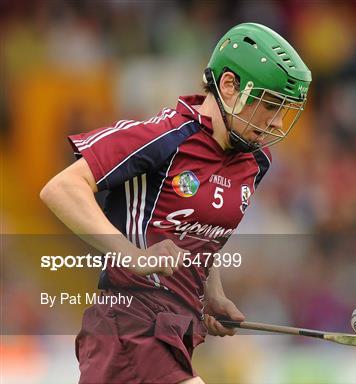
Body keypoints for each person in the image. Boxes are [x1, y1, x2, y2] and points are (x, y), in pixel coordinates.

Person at [40, 22, 311, 384]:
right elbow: (61, 188)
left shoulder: (255, 163)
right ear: (229, 86)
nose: (277, 122)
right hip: (130, 325)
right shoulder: (164, 137)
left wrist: (212, 294)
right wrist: (131, 254)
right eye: (270, 105)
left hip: (177, 333)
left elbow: (203, 235)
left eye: (284, 110)